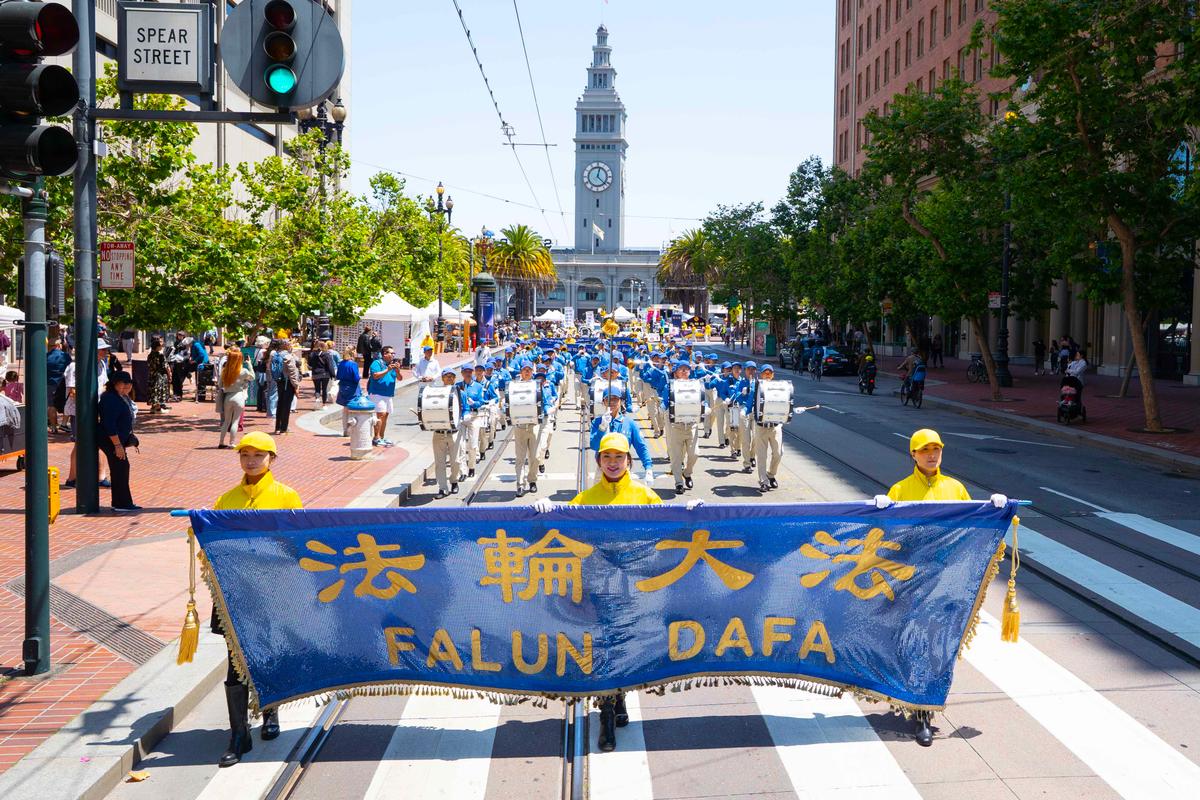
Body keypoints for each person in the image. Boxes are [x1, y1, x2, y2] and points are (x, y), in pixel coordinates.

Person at [533, 432, 705, 751]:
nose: (613, 463)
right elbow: (561, 527)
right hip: (598, 589)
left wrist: (690, 512)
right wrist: (547, 509)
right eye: (607, 457)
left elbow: (670, 525)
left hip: (634, 590)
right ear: (598, 461)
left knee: (625, 646)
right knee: (604, 647)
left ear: (629, 461)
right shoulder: (585, 499)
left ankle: (620, 694)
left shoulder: (643, 495)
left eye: (619, 457)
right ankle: (607, 715)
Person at [212, 431, 301, 766]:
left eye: (258, 455)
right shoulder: (226, 499)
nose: (251, 460)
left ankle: (270, 712)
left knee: (269, 652)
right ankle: (238, 734)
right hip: (235, 591)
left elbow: (296, 544)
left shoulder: (286, 496)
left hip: (272, 589)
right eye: (245, 454)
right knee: (236, 663)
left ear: (271, 459)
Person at [588, 387, 654, 486]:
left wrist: (648, 468)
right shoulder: (597, 422)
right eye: (608, 399)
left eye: (615, 399)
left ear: (621, 401)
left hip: (623, 467)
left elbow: (641, 446)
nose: (612, 402)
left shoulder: (630, 423)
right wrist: (602, 428)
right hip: (603, 468)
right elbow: (594, 445)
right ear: (603, 402)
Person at [98, 371, 139, 511]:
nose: (126, 387)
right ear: (115, 384)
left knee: (121, 469)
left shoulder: (121, 397)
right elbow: (109, 424)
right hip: (111, 440)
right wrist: (117, 445)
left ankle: (120, 502)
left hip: (118, 440)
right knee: (121, 468)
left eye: (128, 384)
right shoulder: (110, 399)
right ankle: (122, 503)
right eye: (122, 384)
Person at [664, 360, 705, 494]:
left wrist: (706, 408)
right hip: (677, 426)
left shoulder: (695, 384)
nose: (684, 371)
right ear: (675, 372)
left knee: (695, 454)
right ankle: (679, 483)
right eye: (681, 369)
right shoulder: (670, 386)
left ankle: (687, 473)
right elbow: (666, 401)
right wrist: (663, 407)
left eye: (686, 369)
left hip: (692, 425)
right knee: (676, 457)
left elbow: (702, 398)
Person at [431, 369, 464, 498]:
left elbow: (464, 408)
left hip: (454, 432)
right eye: (446, 376)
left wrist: (463, 417)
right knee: (440, 463)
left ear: (455, 379)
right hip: (439, 432)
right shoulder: (436, 393)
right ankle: (442, 488)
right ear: (442, 378)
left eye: (452, 376)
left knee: (455, 462)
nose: (449, 378)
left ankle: (454, 481)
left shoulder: (459, 393)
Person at [217, 348, 254, 448]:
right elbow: (253, 377)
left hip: (228, 397)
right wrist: (250, 364)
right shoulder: (243, 371)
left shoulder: (225, 371)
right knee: (235, 421)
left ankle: (221, 442)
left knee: (226, 421)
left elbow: (220, 385)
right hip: (239, 396)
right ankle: (232, 443)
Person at [367, 345, 401, 447]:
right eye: (391, 353)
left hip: (388, 394)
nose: (393, 355)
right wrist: (387, 370)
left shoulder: (392, 365)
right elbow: (375, 375)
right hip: (377, 393)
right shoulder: (376, 363)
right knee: (380, 415)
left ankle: (381, 437)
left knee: (385, 416)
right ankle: (376, 438)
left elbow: (400, 378)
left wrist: (397, 370)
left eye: (393, 353)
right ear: (385, 354)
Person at [271, 341, 301, 434]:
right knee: (286, 405)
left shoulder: (276, 355)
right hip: (288, 383)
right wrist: (296, 385)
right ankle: (284, 428)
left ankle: (277, 428)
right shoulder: (288, 356)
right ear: (286, 346)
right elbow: (292, 372)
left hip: (279, 381)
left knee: (280, 403)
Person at [335, 346, 361, 436]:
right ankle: (350, 430)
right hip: (352, 388)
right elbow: (356, 378)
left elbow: (338, 376)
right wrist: (360, 376)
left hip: (343, 386)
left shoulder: (341, 363)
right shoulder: (353, 364)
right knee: (352, 409)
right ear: (353, 353)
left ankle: (345, 430)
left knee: (345, 409)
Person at [46, 339, 70, 433]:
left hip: (49, 383)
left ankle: (53, 427)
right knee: (66, 404)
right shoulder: (65, 355)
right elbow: (70, 368)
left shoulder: (46, 356)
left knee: (51, 405)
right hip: (62, 383)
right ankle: (63, 424)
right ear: (58, 345)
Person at [146, 336, 171, 413]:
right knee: (158, 391)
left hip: (152, 375)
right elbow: (166, 366)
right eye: (160, 345)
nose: (161, 347)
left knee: (153, 391)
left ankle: (153, 407)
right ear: (157, 346)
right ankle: (158, 408)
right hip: (159, 376)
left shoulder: (150, 355)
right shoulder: (161, 356)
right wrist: (170, 375)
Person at [308, 340, 335, 406]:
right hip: (325, 374)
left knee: (317, 388)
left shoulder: (312, 354)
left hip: (315, 374)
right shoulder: (327, 354)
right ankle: (324, 404)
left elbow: (310, 365)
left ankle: (317, 399)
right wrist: (333, 374)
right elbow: (330, 365)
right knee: (324, 389)